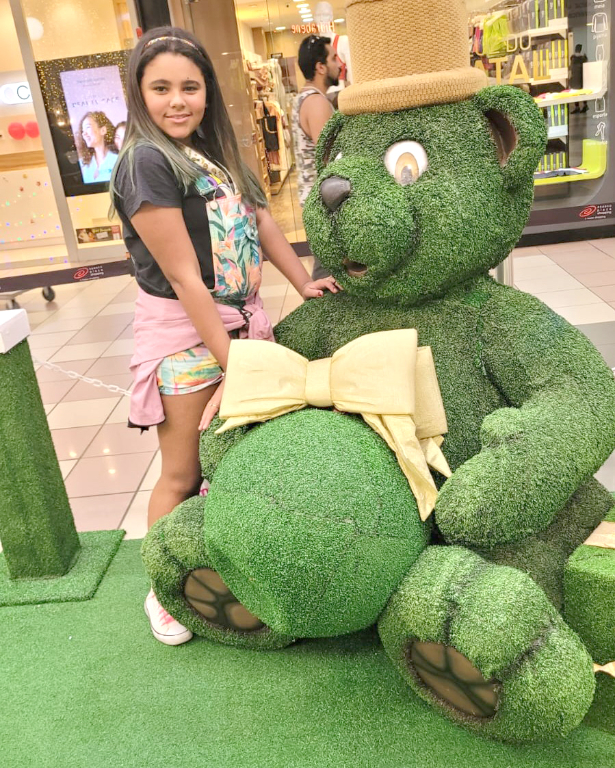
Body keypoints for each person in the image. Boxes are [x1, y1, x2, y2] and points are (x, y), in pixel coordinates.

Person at [109, 27, 339, 646]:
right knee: (182, 472)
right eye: (160, 88)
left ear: (208, 89)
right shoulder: (145, 161)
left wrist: (303, 280)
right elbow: (185, 277)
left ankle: (223, 567)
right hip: (188, 335)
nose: (177, 100)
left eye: (190, 86)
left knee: (230, 463)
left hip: (239, 327)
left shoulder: (216, 152)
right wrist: (232, 363)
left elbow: (262, 218)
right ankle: (162, 587)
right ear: (139, 93)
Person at [292, 34, 341, 280]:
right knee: (327, 271)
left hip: (315, 199)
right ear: (320, 67)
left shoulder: (304, 98)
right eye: (333, 58)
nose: (339, 63)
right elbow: (329, 158)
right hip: (323, 202)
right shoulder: (316, 103)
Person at [77, 111, 118, 183]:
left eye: (88, 127)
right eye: (83, 130)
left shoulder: (118, 159)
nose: (84, 133)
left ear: (103, 130)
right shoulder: (84, 163)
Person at [570, 44, 588, 114]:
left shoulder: (572, 58)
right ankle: (584, 105)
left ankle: (577, 107)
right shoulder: (583, 58)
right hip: (581, 77)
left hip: (575, 77)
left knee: (576, 93)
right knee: (582, 92)